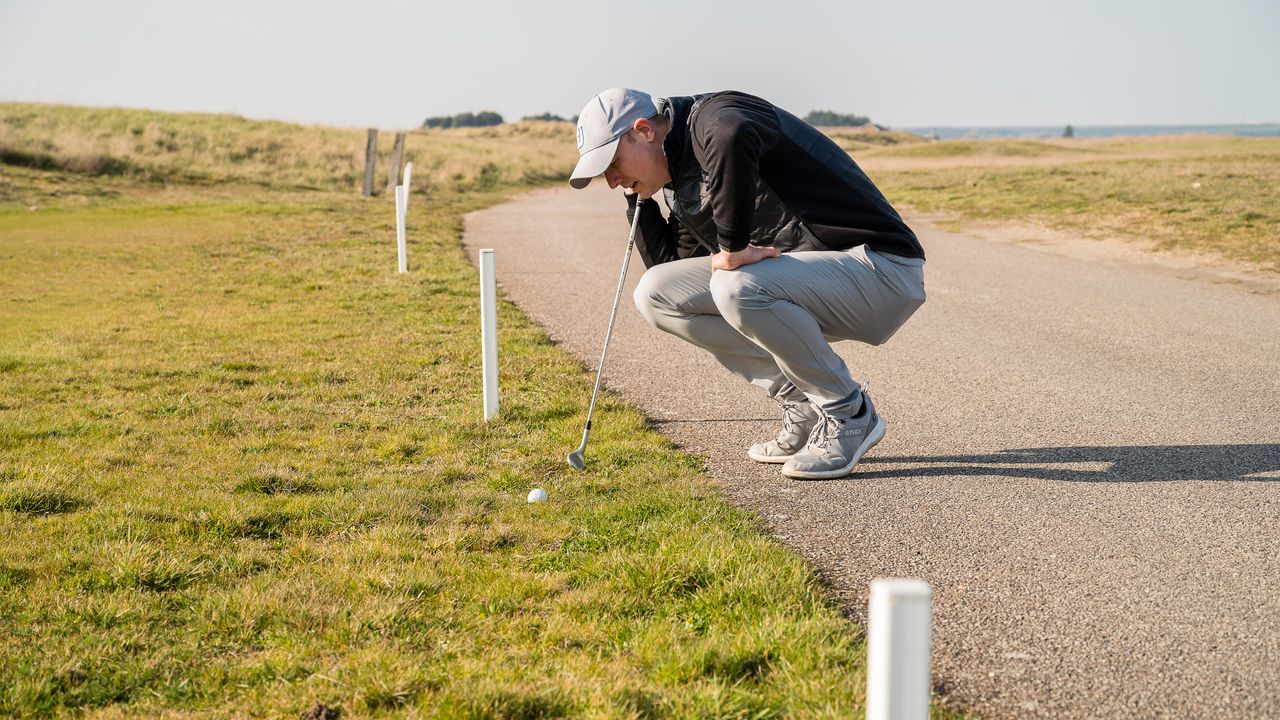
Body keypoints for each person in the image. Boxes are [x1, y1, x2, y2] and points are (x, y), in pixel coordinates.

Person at [568, 88, 926, 480]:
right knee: (654, 294)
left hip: (880, 269)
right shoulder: (681, 188)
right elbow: (672, 274)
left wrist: (733, 247)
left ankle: (849, 412)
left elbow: (732, 133)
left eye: (612, 163)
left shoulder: (715, 115)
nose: (611, 179)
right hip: (820, 285)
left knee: (733, 286)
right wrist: (640, 202)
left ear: (644, 130)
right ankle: (802, 401)